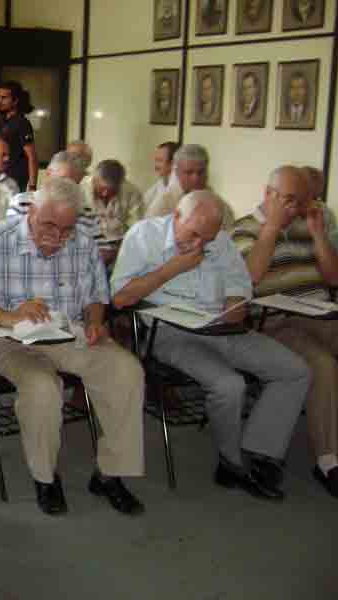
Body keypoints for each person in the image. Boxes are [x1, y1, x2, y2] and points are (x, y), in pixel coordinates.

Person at [0, 177, 146, 516]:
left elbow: (96, 299)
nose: (56, 237)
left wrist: (95, 321)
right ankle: (45, 477)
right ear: (32, 210)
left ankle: (111, 473)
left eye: (66, 229)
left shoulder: (84, 244)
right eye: (48, 225)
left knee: (125, 370)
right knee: (42, 386)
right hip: (6, 337)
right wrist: (8, 315)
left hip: (67, 333)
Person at [111, 191, 310, 501]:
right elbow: (121, 298)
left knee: (294, 370)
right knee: (229, 385)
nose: (199, 245)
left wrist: (235, 305)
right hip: (168, 332)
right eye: (193, 234)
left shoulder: (220, 241)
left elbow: (240, 286)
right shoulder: (144, 236)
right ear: (176, 216)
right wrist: (174, 267)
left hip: (220, 327)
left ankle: (260, 450)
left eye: (208, 238)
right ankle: (231, 463)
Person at [232, 166, 338, 502]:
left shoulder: (306, 225)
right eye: (289, 200)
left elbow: (335, 279)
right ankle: (327, 463)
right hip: (274, 320)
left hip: (320, 312)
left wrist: (319, 234)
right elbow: (249, 278)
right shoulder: (243, 230)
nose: (296, 208)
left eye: (302, 201)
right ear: (268, 194)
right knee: (324, 367)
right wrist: (272, 228)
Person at [145, 143, 234, 227]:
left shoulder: (220, 206)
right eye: (189, 172)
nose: (195, 178)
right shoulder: (163, 205)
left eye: (200, 172)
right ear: (176, 172)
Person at [81, 159, 145, 265]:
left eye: (111, 190)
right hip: (88, 247)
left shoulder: (132, 192)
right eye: (102, 188)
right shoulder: (80, 189)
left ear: (121, 183)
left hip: (121, 247)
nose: (105, 194)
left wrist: (118, 250)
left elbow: (137, 228)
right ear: (94, 179)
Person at [0, 81, 38, 192]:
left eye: (4, 98)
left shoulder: (22, 123)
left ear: (15, 101)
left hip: (16, 177)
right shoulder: (4, 120)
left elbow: (32, 156)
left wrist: (32, 186)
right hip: (3, 176)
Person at [7, 151, 86, 217]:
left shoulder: (82, 211)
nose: (68, 188)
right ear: (48, 173)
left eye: (74, 184)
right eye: (63, 180)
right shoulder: (21, 203)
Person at [143, 141, 179, 210]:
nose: (155, 166)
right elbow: (142, 204)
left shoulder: (177, 186)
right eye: (156, 160)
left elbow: (154, 212)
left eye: (159, 160)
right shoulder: (161, 182)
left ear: (173, 163)